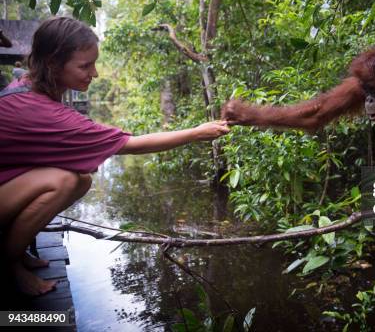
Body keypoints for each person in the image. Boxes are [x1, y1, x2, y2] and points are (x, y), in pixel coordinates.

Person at [0, 17, 230, 296]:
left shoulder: (30, 83)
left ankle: (16, 247)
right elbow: (130, 145)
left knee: (80, 179)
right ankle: (8, 262)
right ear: (53, 64)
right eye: (85, 66)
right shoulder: (39, 109)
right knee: (64, 182)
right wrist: (196, 132)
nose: (94, 73)